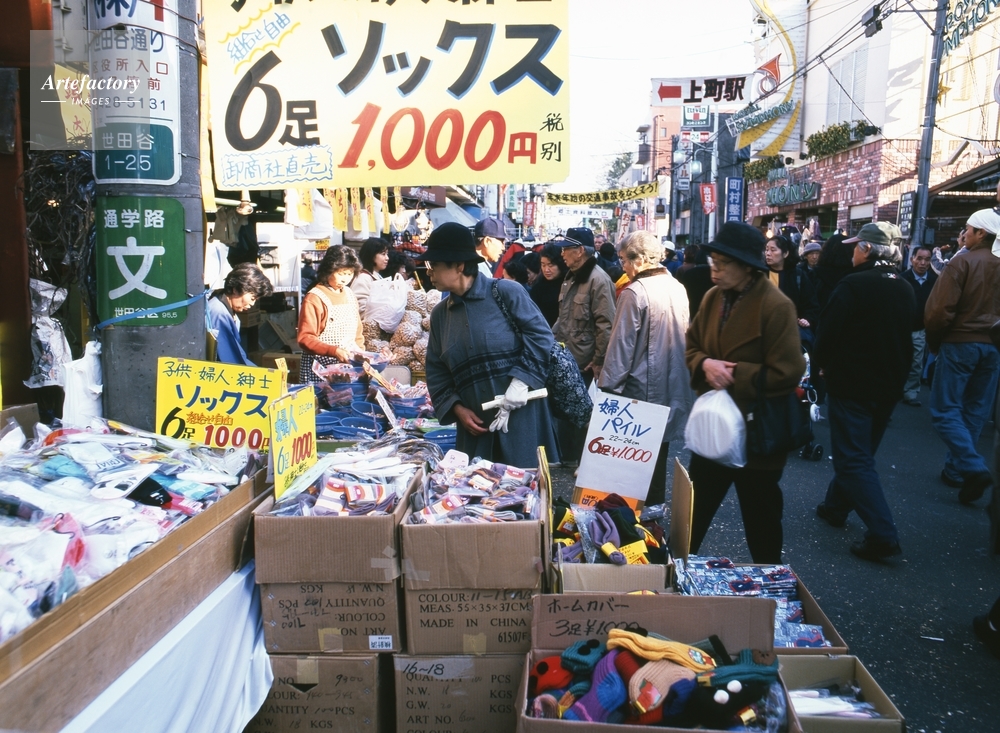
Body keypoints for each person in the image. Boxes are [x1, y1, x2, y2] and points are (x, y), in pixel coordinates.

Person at [685, 222, 805, 564]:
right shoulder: (713, 297)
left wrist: (735, 374)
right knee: (693, 512)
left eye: (723, 263)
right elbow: (692, 344)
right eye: (714, 261)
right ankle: (674, 576)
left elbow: (789, 371)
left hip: (757, 431)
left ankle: (772, 585)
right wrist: (705, 363)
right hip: (714, 424)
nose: (715, 269)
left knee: (761, 516)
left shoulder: (776, 305)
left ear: (747, 266)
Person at [814, 222, 915, 561]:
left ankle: (883, 535)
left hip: (852, 382)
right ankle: (835, 506)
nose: (853, 252)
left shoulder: (854, 284)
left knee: (852, 458)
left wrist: (821, 366)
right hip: (888, 384)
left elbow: (828, 332)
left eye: (857, 246)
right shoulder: (904, 286)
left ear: (868, 249)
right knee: (861, 451)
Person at [424, 222, 559, 467]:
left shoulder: (506, 293)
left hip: (523, 420)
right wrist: (457, 408)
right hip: (476, 431)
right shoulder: (440, 315)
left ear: (459, 265)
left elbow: (541, 337)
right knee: (478, 488)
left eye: (434, 265)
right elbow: (436, 370)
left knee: (526, 485)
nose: (429, 272)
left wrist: (521, 381)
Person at [599, 231, 694, 506]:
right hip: (673, 380)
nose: (622, 267)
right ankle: (654, 515)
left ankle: (632, 517)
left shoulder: (635, 292)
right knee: (658, 454)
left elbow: (621, 345)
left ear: (639, 260)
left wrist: (609, 388)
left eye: (624, 260)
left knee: (632, 458)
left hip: (639, 388)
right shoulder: (676, 286)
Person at [924, 208, 1000, 504]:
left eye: (968, 229)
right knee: (975, 411)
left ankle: (971, 466)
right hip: (993, 348)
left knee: (945, 410)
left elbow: (938, 311)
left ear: (981, 233)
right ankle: (958, 471)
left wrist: (934, 343)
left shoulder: (962, 262)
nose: (964, 234)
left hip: (960, 342)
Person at [552, 229, 617, 467]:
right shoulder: (571, 276)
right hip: (568, 355)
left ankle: (584, 461)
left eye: (566, 249)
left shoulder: (599, 280)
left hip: (585, 359)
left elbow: (606, 324)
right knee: (566, 409)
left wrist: (599, 360)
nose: (562, 254)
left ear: (580, 251)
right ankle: (568, 458)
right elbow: (563, 317)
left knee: (583, 412)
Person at [297, 245, 365, 385]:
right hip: (319, 372)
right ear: (329, 270)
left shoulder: (350, 294)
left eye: (350, 274)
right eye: (341, 274)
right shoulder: (314, 298)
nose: (345, 279)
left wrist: (361, 355)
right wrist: (334, 351)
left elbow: (357, 332)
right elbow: (305, 338)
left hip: (347, 370)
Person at [208, 263, 273, 366]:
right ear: (236, 289)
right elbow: (231, 360)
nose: (252, 304)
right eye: (252, 298)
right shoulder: (219, 313)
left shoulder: (225, 307)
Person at [765, 234, 820, 346]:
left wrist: (807, 319)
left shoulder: (798, 275)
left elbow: (811, 304)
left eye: (773, 250)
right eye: (766, 249)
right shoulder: (761, 274)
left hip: (790, 334)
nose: (768, 253)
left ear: (785, 253)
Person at [900, 245, 938, 406]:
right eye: (919, 259)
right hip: (900, 328)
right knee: (898, 359)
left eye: (927, 260)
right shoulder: (902, 279)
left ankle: (910, 392)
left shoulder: (934, 281)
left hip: (920, 329)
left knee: (916, 362)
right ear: (912, 259)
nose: (923, 263)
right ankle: (894, 389)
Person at [351, 237, 390, 318]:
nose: (387, 258)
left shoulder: (377, 275)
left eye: (387, 254)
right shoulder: (363, 278)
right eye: (383, 254)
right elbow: (360, 309)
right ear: (372, 256)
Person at [530, 243, 568, 327]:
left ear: (561, 264)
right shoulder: (538, 287)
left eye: (551, 265)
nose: (546, 270)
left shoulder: (569, 284)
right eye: (543, 265)